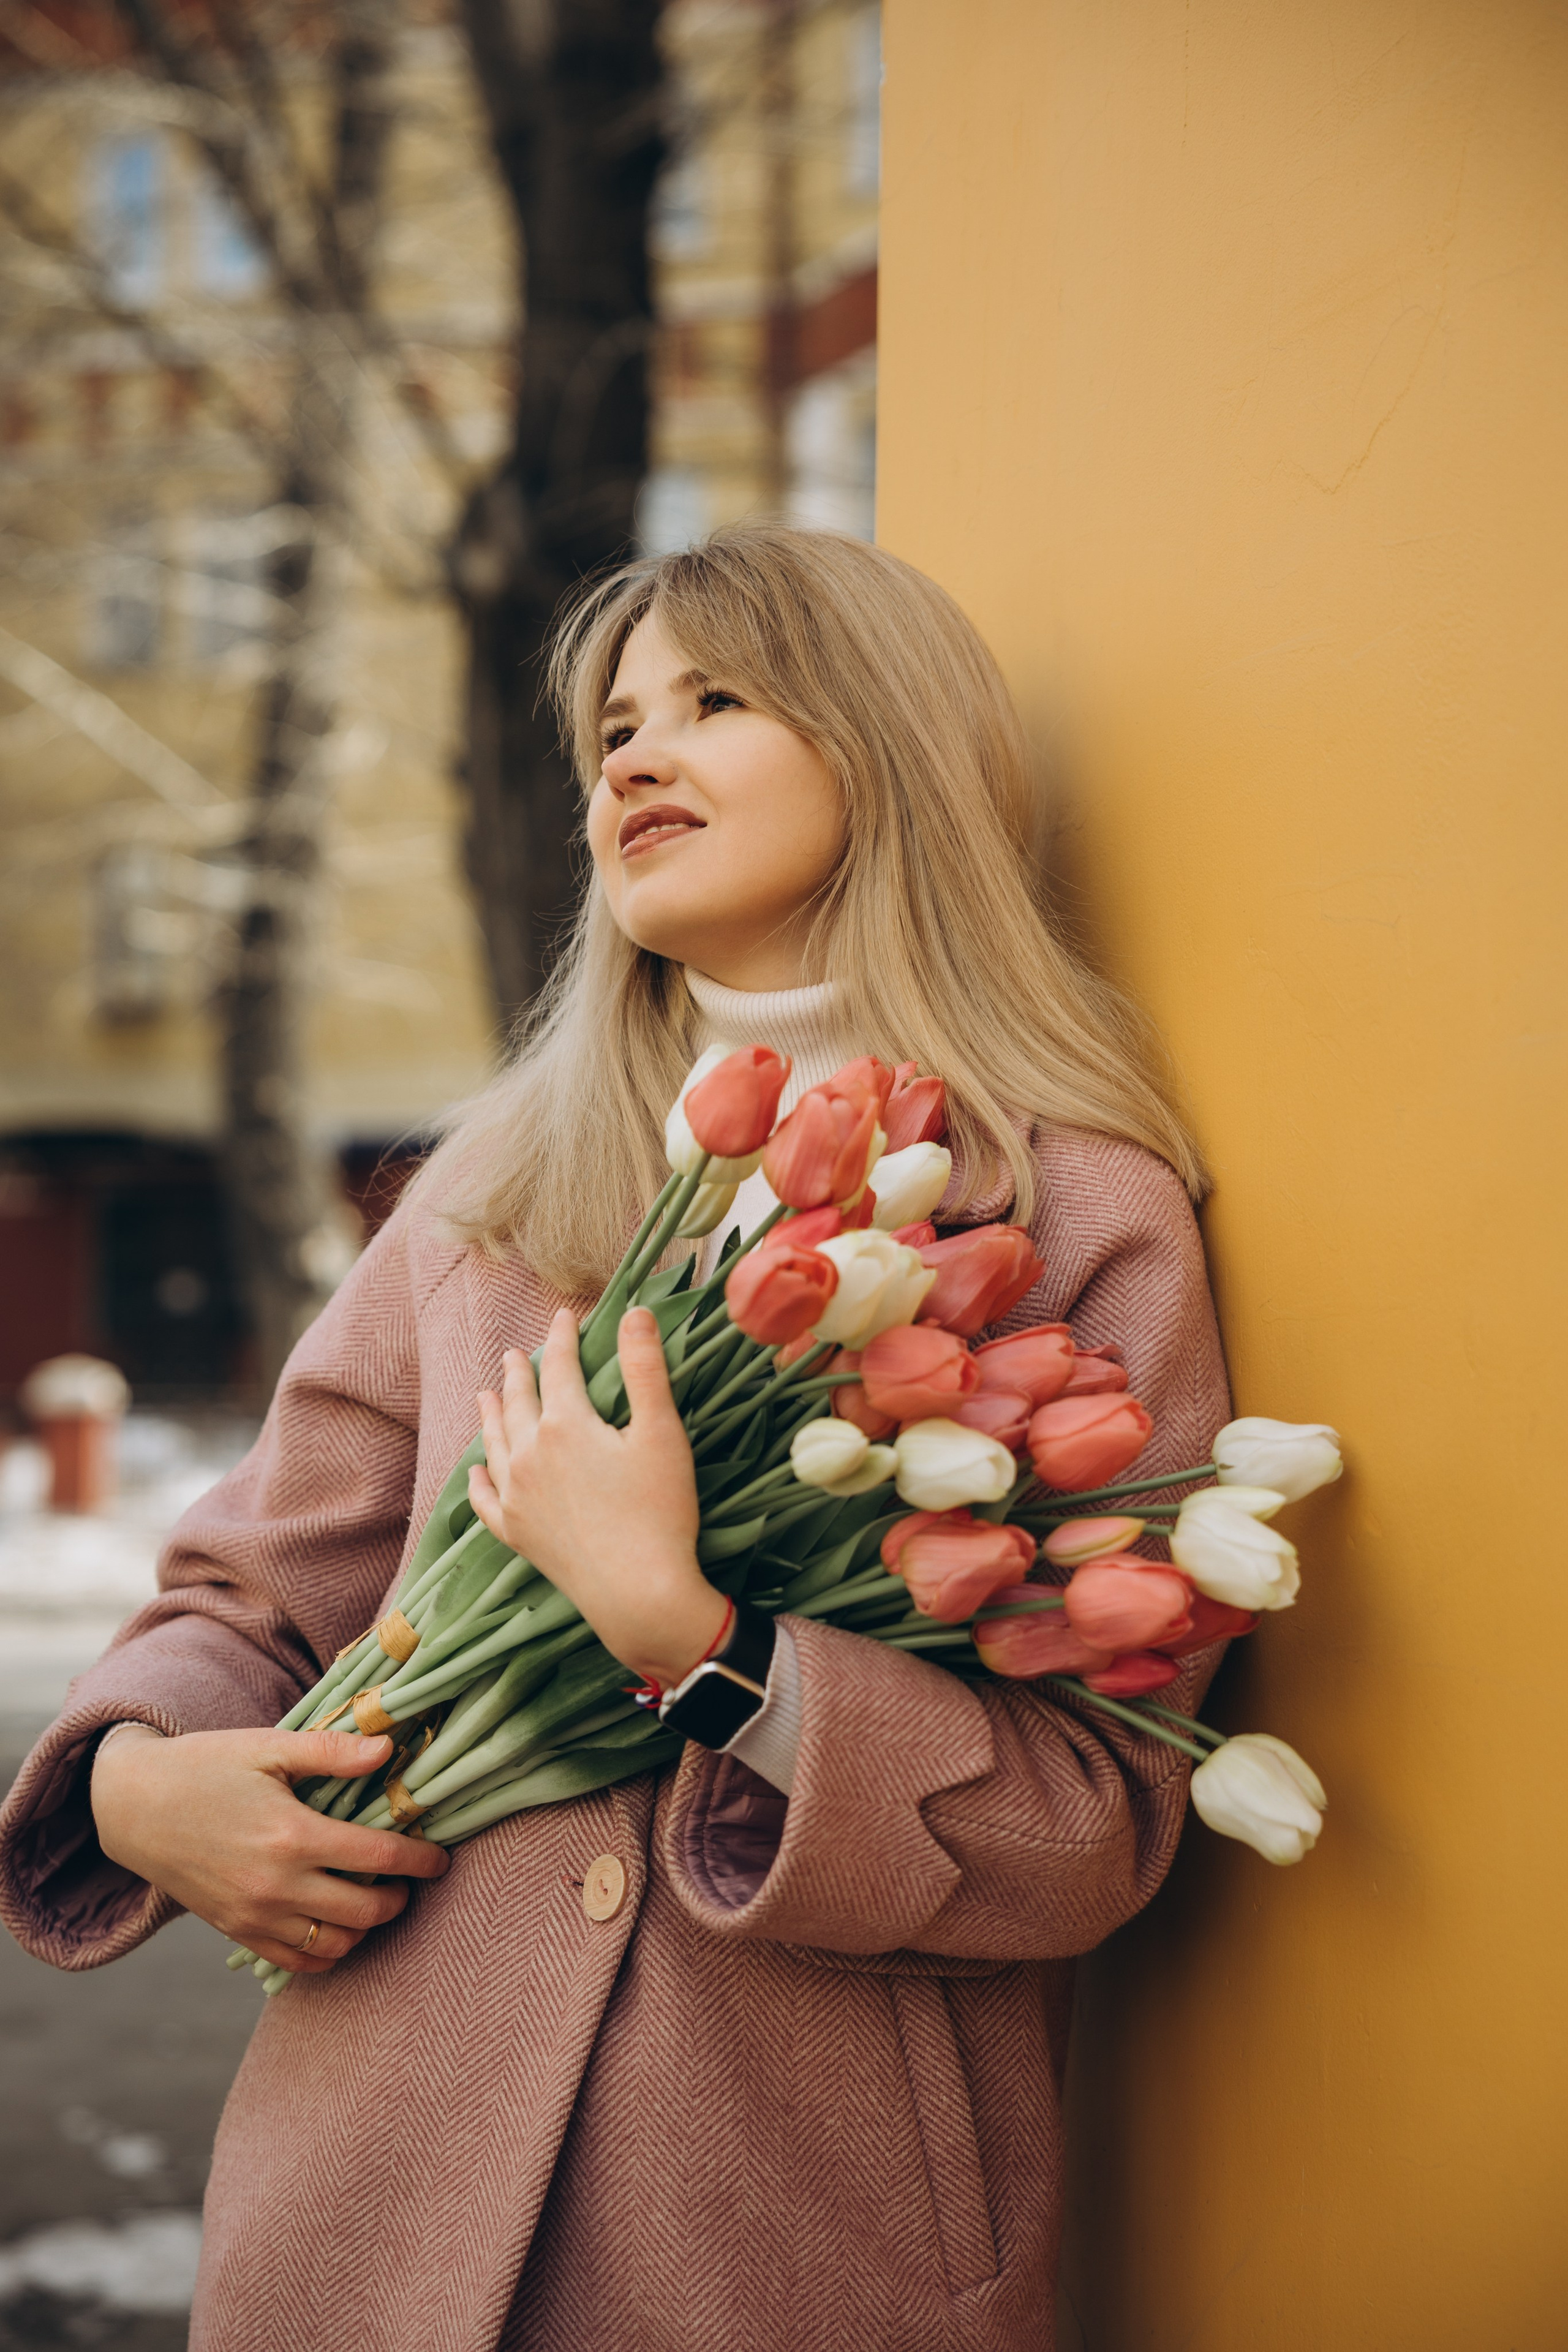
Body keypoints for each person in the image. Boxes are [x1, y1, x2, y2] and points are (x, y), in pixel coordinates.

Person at [0, 524, 1229, 2352]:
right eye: (613, 728)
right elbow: (253, 1590)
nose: (630, 759)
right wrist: (136, 1780)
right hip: (372, 2199)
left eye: (713, 703)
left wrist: (703, 1646)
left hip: (797, 2238)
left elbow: (1095, 1820)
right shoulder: (489, 1194)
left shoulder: (1076, 1215)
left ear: (885, 745)